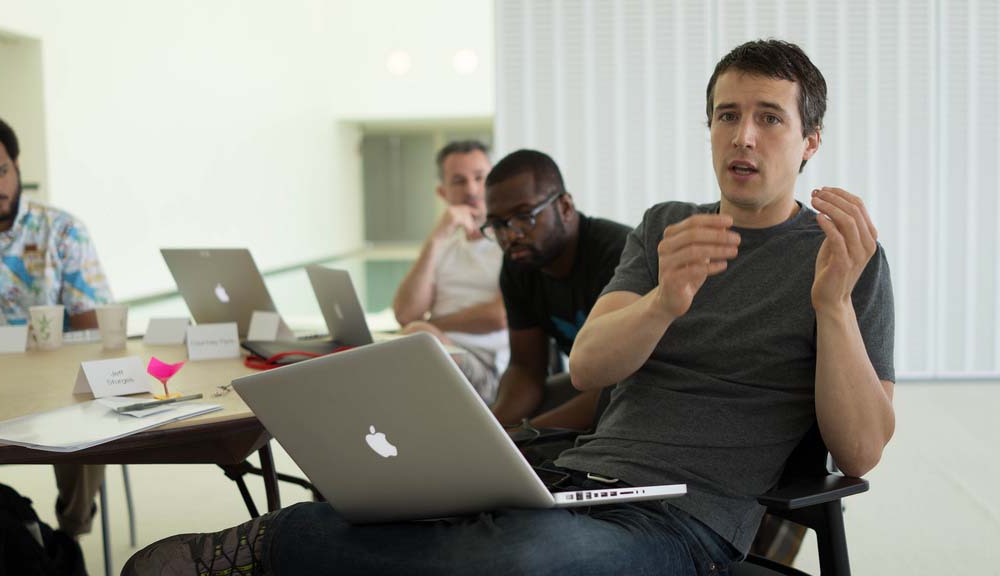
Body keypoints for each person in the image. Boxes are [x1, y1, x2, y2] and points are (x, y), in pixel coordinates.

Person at [124, 39, 895, 576]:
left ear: (810, 140)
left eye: (769, 117)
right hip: (577, 477)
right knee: (407, 503)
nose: (743, 137)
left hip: (689, 521)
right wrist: (665, 300)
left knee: (522, 561)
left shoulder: (844, 256)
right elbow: (589, 365)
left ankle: (262, 550)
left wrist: (831, 307)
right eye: (727, 115)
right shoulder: (667, 226)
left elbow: (860, 451)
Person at [0, 111, 112, 538]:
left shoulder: (63, 231)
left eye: (1, 172)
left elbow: (93, 332)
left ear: (17, 166)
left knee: (90, 407)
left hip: (53, 384)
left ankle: (69, 538)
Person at [482, 149, 630, 433]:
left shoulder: (621, 254)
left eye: (524, 216)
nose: (510, 235)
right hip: (592, 387)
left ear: (565, 207)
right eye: (498, 224)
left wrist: (525, 436)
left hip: (651, 391)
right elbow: (526, 369)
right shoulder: (518, 265)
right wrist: (491, 431)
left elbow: (622, 385)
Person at [393, 141, 509, 403]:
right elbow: (406, 313)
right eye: (459, 181)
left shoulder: (510, 242)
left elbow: (500, 316)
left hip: (488, 370)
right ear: (442, 192)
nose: (471, 190)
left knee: (414, 340)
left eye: (480, 178)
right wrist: (437, 237)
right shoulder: (443, 246)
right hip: (434, 350)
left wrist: (431, 327)